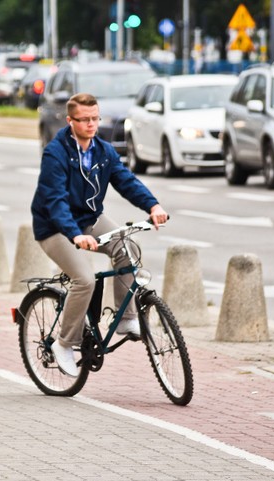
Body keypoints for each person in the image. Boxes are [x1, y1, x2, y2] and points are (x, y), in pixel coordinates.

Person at [31, 93, 169, 377]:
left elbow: (126, 181)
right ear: (70, 121)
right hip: (55, 227)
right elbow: (55, 201)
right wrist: (74, 235)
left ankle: (125, 318)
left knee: (126, 247)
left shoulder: (103, 151)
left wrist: (152, 205)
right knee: (84, 279)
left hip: (89, 219)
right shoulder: (55, 154)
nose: (92, 124)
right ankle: (65, 343)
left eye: (96, 118)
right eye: (84, 120)